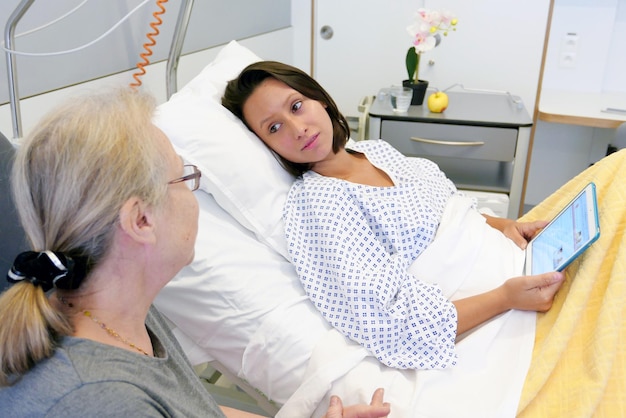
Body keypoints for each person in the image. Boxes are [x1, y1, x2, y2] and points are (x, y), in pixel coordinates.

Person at [0, 88, 390, 418]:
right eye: (183, 177)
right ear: (141, 220)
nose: (192, 195)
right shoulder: (98, 397)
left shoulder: (123, 313)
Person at [222, 61, 565, 370]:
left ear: (319, 99)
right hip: (495, 301)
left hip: (510, 257)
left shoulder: (373, 150)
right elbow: (388, 322)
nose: (297, 128)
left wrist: (505, 225)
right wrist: (506, 297)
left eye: (297, 106)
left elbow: (446, 204)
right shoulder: (318, 204)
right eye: (274, 128)